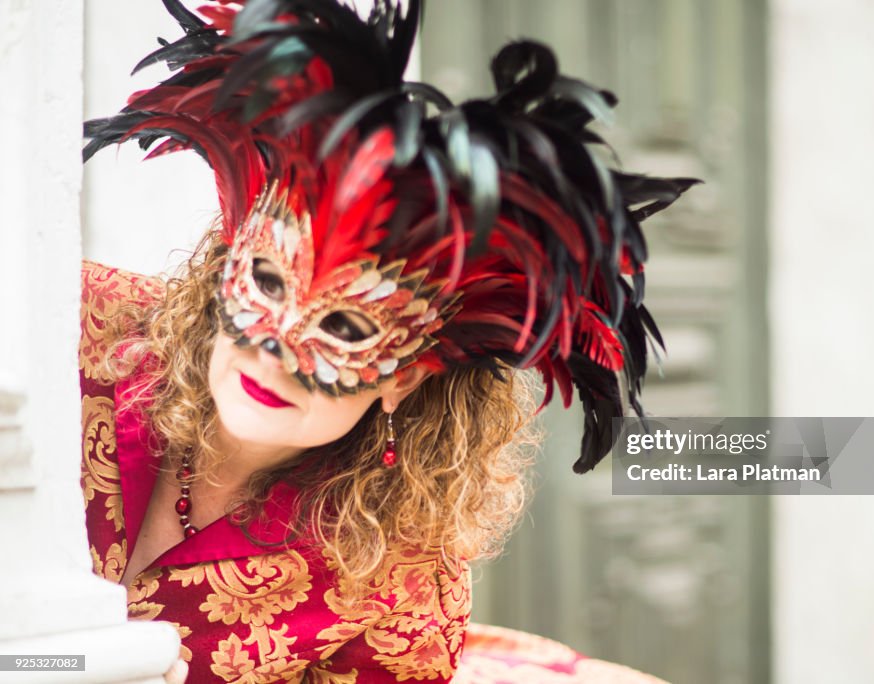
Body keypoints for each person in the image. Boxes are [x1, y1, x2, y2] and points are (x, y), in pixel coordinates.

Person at [80, 1, 697, 682]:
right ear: (232, 260)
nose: (274, 350)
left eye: (346, 326)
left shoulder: (396, 579)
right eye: (268, 280)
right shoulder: (77, 333)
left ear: (405, 374)